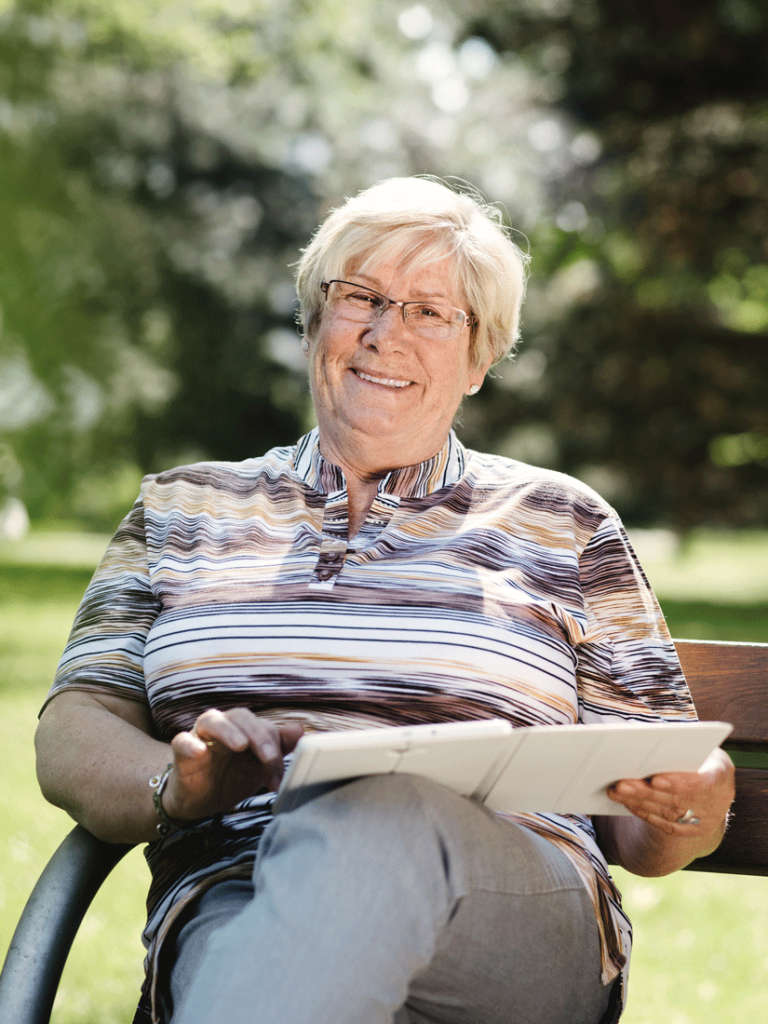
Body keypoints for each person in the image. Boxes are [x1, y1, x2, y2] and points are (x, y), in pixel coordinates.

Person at [35, 176, 734, 1024]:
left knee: (376, 804)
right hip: (239, 898)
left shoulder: (564, 521)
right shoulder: (180, 508)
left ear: (479, 359)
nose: (384, 333)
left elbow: (645, 811)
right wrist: (174, 789)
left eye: (431, 312)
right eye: (358, 296)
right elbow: (75, 729)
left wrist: (685, 809)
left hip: (507, 918)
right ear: (312, 324)